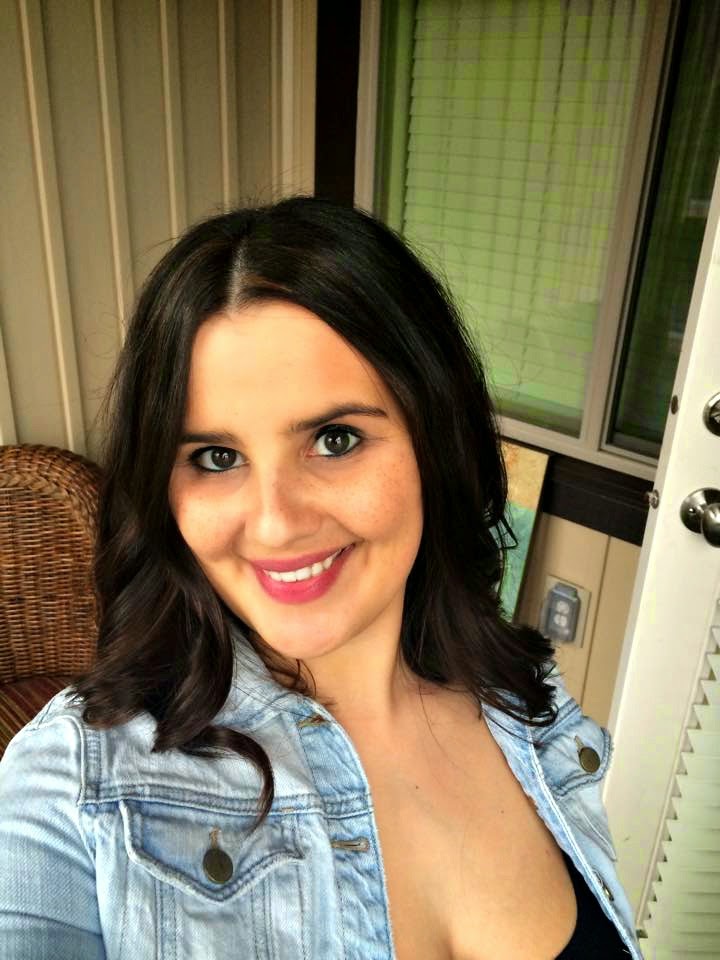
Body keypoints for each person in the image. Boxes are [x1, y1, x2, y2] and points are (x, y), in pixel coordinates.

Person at [0, 197, 640, 959]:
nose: (275, 524)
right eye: (215, 457)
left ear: (436, 440)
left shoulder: (527, 703)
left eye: (335, 440)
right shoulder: (74, 782)